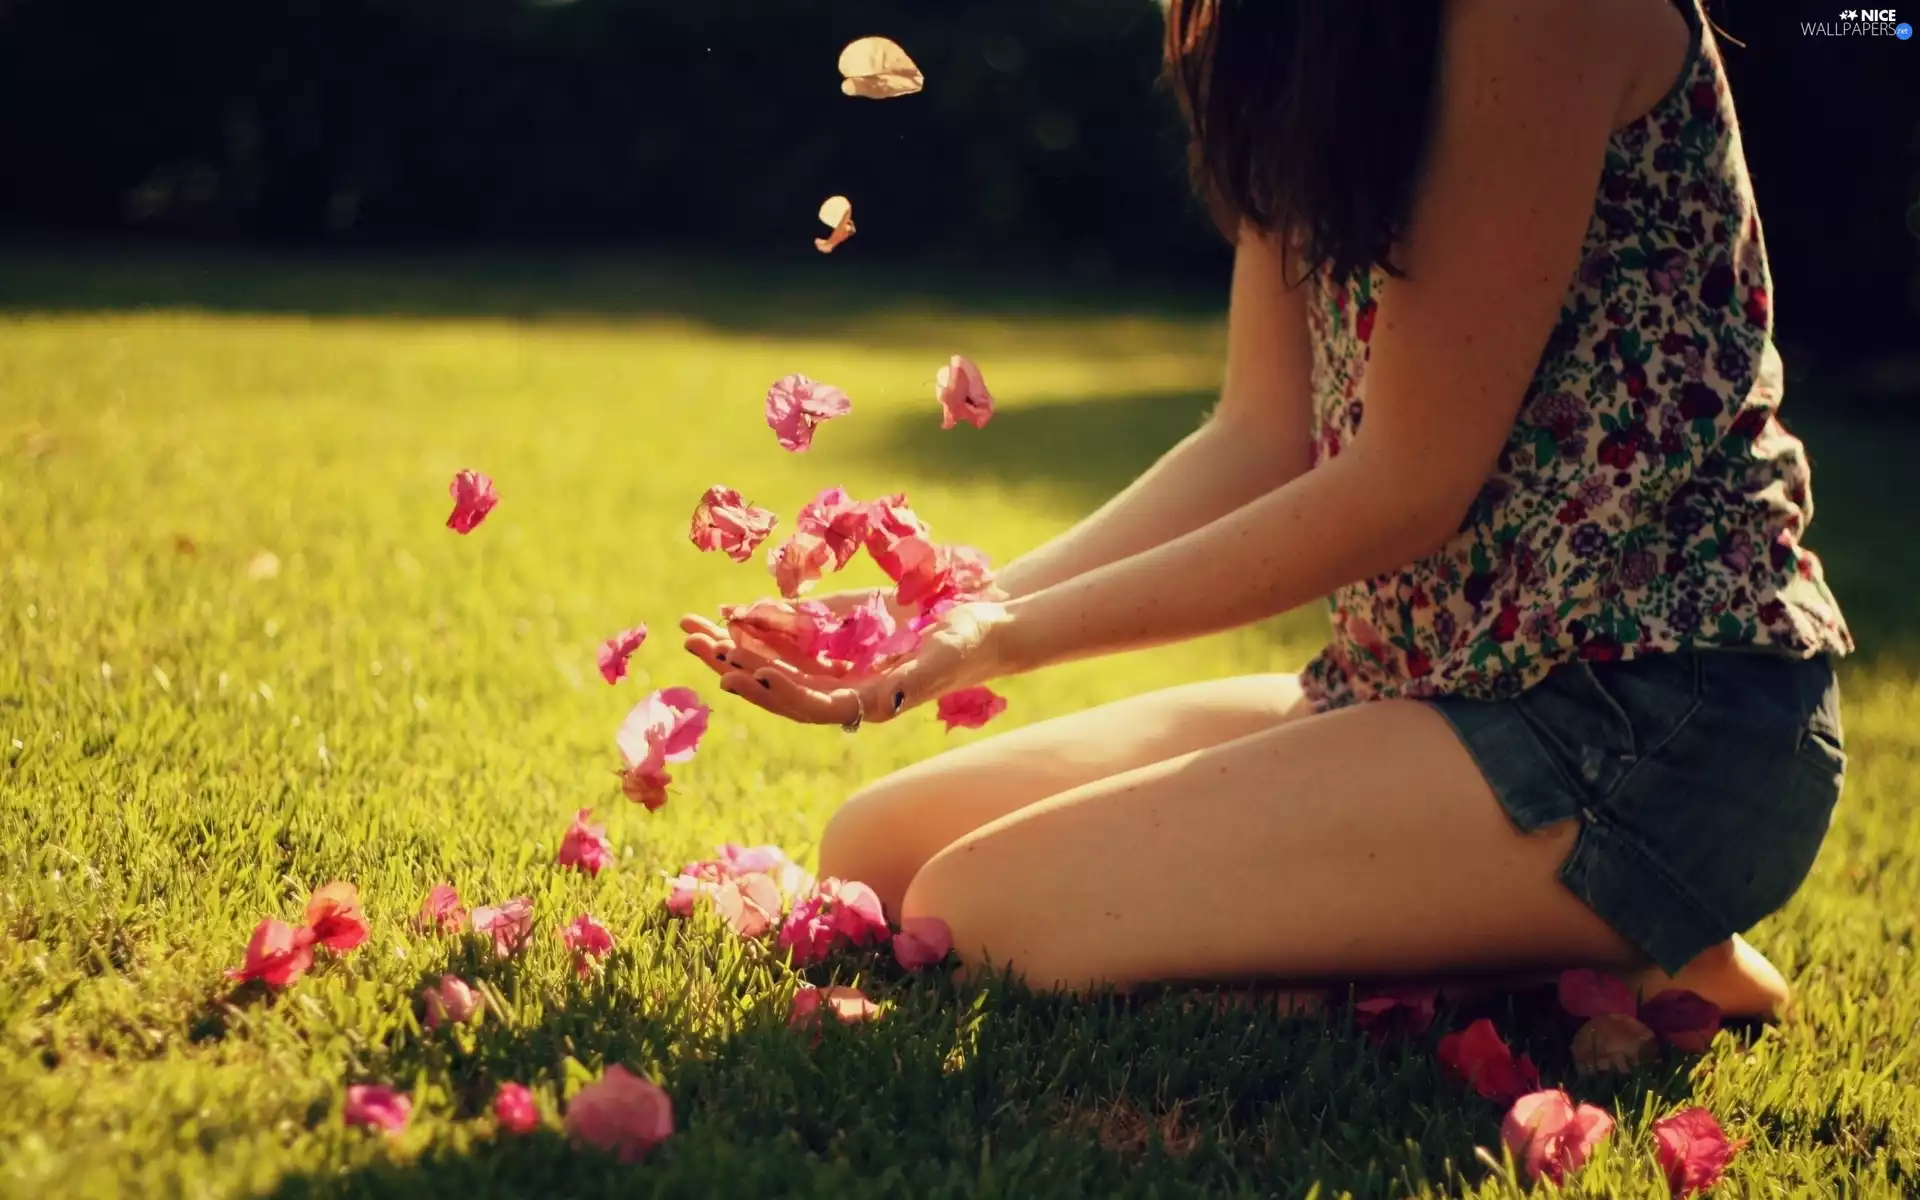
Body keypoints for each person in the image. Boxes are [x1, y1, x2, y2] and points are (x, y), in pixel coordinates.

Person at [680, 0, 1851, 1020]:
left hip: (1649, 715)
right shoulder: (1287, 29)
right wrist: (948, 614)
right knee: (878, 852)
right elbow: (1261, 437)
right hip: (1417, 685)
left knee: (983, 916)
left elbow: (1406, 489)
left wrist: (1005, 636)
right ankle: (1571, 941)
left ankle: (1624, 954)